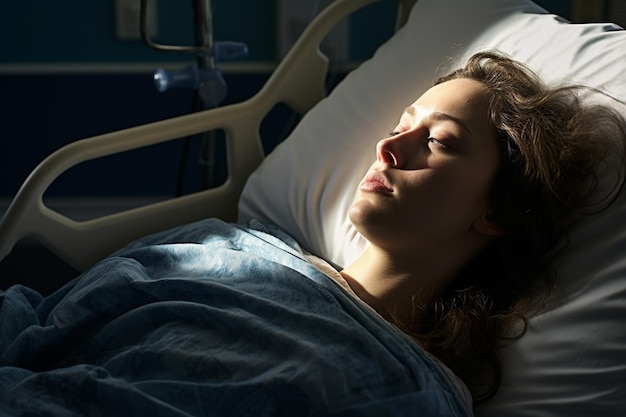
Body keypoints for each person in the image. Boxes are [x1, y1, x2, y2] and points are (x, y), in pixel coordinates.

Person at [338, 51, 626, 403]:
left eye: (438, 141)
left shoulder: (408, 392)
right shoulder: (268, 249)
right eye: (398, 128)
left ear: (497, 212)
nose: (387, 146)